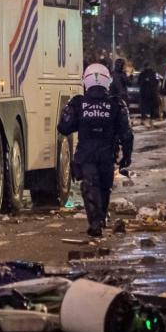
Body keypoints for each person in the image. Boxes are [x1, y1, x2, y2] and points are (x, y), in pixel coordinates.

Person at [57, 64, 133, 239]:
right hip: (107, 154)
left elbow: (63, 127)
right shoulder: (116, 104)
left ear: (85, 81)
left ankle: (95, 222)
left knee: (90, 186)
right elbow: (127, 133)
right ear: (108, 81)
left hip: (86, 154)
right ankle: (100, 219)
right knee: (105, 187)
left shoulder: (78, 103)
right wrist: (126, 157)